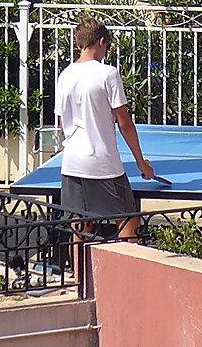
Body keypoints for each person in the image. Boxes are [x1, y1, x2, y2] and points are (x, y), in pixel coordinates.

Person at [54, 18, 157, 243]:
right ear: (102, 42)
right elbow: (124, 123)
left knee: (79, 225)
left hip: (72, 162)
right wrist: (141, 163)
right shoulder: (108, 74)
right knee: (128, 221)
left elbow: (63, 123)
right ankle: (131, 275)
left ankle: (80, 276)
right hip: (103, 163)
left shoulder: (65, 75)